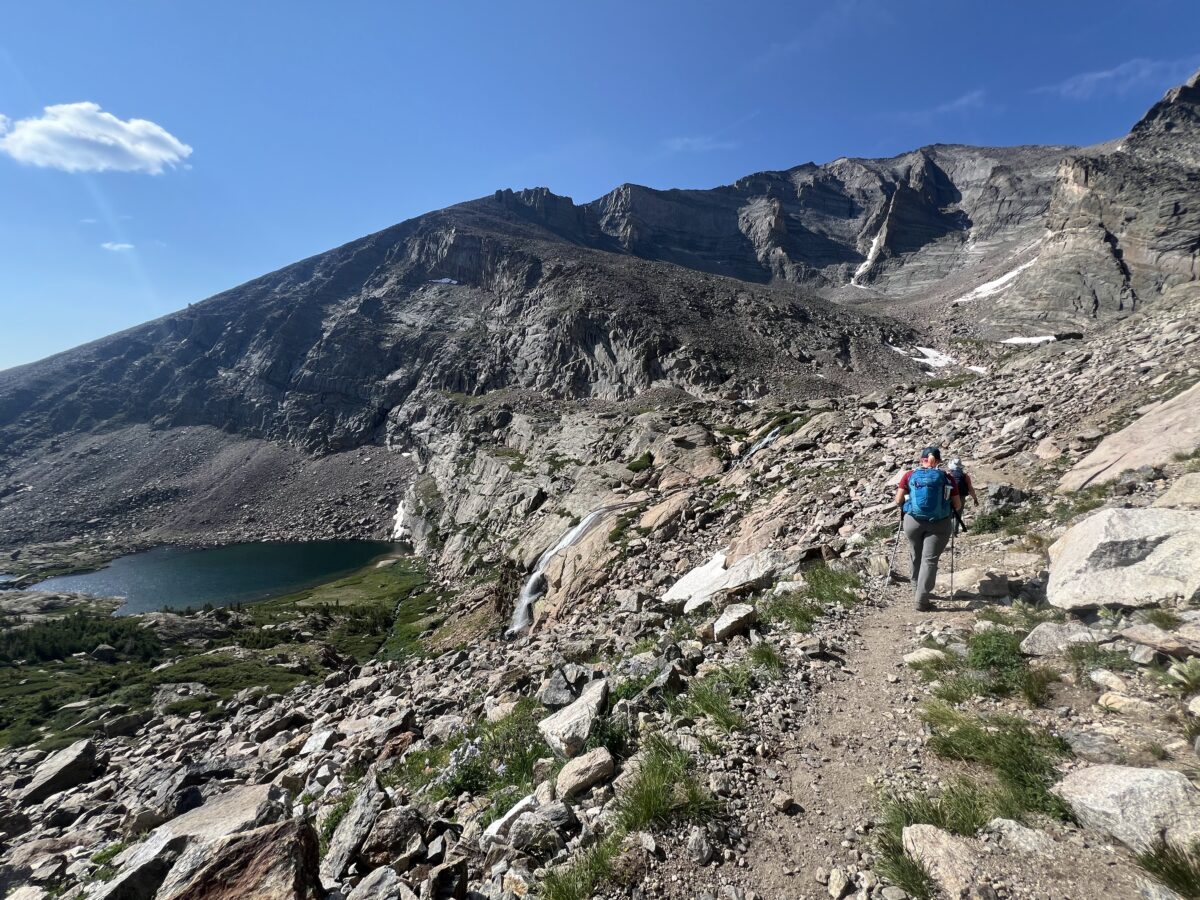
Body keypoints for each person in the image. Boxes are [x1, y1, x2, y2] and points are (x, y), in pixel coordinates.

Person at [894, 446, 961, 611]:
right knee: (929, 559)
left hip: (913, 521)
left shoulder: (909, 475)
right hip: (939, 523)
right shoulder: (946, 478)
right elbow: (957, 504)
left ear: (921, 460)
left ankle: (916, 588)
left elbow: (898, 500)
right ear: (938, 461)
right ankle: (922, 599)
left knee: (915, 554)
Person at [947, 457, 979, 533]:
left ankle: (947, 530)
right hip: (961, 496)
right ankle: (955, 531)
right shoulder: (965, 476)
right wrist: (975, 499)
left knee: (948, 513)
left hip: (949, 495)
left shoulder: (949, 475)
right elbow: (970, 488)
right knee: (958, 513)